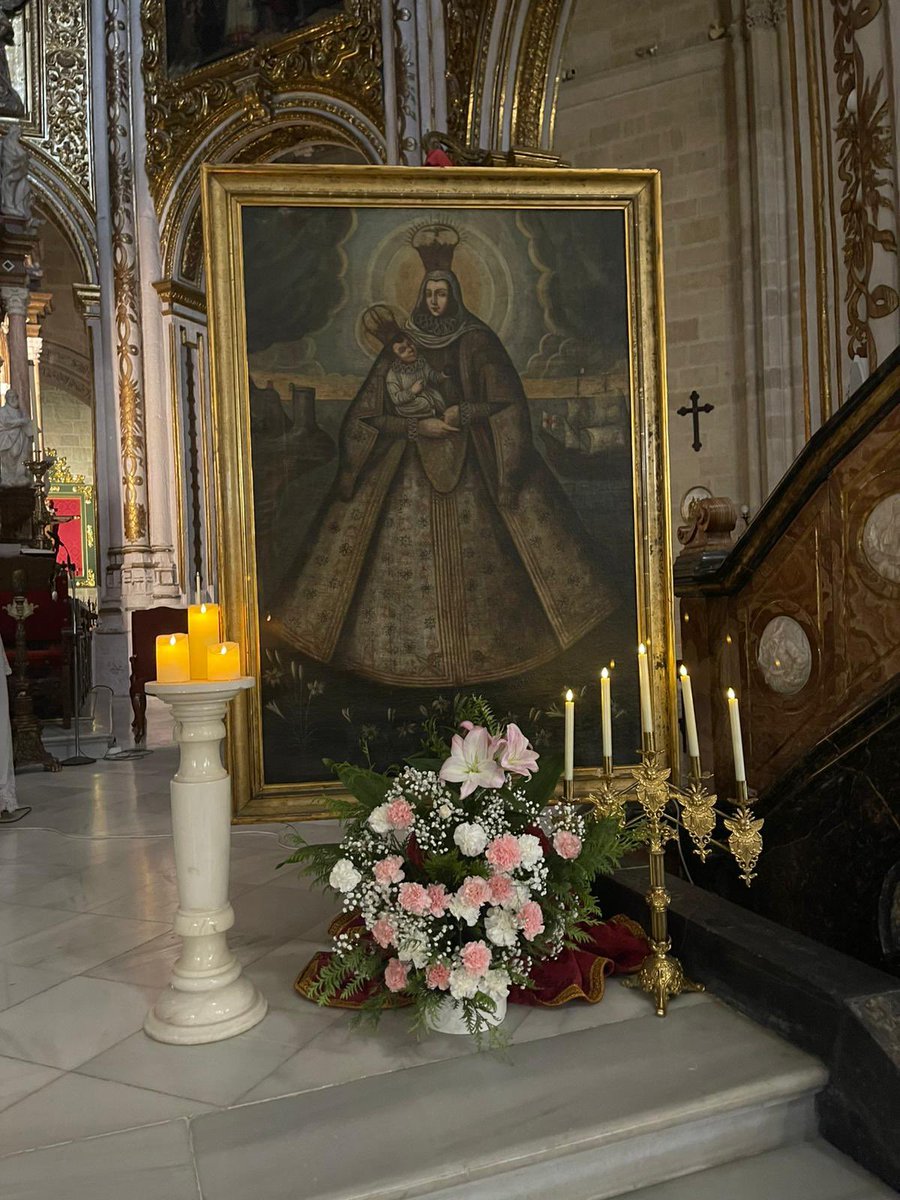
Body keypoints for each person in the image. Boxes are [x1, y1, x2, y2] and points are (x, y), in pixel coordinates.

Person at [272, 224, 615, 687]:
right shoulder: (401, 345)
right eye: (429, 293)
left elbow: (508, 402)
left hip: (474, 461)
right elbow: (367, 415)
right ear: (421, 294)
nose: (435, 300)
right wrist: (416, 426)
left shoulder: (478, 339)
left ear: (455, 293)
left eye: (443, 292)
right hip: (406, 470)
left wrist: (465, 413)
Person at [0, 387, 33, 486]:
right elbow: (5, 422)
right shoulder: (2, 411)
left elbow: (27, 421)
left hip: (22, 437)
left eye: (15, 397)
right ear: (7, 398)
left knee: (23, 456)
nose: (13, 399)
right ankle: (8, 477)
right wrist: (20, 421)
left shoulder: (21, 412)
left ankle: (20, 475)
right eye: (10, 397)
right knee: (11, 455)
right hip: (8, 438)